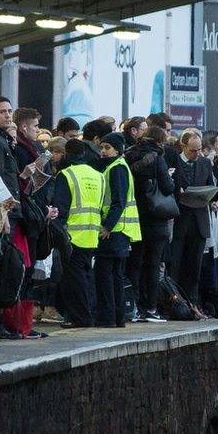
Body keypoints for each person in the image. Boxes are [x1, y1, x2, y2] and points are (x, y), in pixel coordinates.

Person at [124, 126, 174, 323]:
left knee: (134, 263)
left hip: (134, 216)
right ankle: (151, 308)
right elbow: (168, 187)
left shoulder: (129, 155)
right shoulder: (157, 158)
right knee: (153, 264)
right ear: (160, 141)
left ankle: (133, 306)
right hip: (155, 217)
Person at [53, 139, 104, 328]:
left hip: (72, 234)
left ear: (67, 154)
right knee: (86, 277)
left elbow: (61, 208)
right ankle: (88, 314)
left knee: (73, 280)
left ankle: (80, 318)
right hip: (92, 233)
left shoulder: (66, 174)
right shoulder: (98, 175)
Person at [94, 133, 140, 327]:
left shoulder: (116, 168)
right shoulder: (118, 166)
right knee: (115, 276)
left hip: (115, 231)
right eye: (102, 147)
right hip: (121, 231)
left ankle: (109, 317)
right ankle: (116, 318)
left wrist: (107, 226)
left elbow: (118, 202)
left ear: (118, 150)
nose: (103, 151)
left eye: (107, 147)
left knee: (106, 275)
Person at [169, 130, 215, 309]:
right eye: (192, 151)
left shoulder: (204, 163)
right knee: (176, 264)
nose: (196, 154)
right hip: (180, 219)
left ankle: (192, 303)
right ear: (183, 146)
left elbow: (211, 185)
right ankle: (174, 303)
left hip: (199, 220)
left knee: (195, 266)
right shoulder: (174, 161)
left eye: (199, 150)